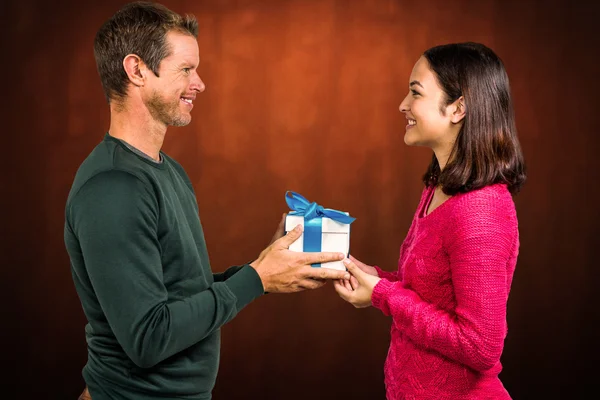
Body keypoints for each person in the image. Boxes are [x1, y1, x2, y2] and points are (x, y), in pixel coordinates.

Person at [64, 2, 351, 399]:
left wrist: (263, 272)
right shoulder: (114, 188)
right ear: (137, 70)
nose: (200, 83)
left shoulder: (167, 171)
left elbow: (180, 293)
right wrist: (256, 278)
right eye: (185, 69)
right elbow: (149, 337)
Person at [334, 42, 526, 399]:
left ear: (458, 108)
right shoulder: (440, 187)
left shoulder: (482, 210)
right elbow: (430, 296)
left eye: (415, 92)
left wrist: (383, 294)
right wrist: (376, 281)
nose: (403, 105)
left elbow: (481, 347)